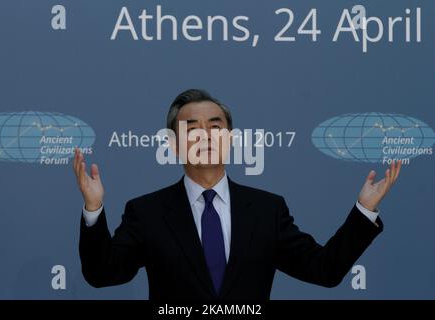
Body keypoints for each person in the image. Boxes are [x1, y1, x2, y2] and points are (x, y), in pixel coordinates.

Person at [74, 89, 402, 300]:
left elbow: (324, 270)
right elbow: (103, 274)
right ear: (173, 144)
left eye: (215, 126)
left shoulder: (266, 210)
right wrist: (93, 207)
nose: (204, 134)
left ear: (230, 139)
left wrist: (364, 211)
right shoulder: (147, 212)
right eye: (191, 127)